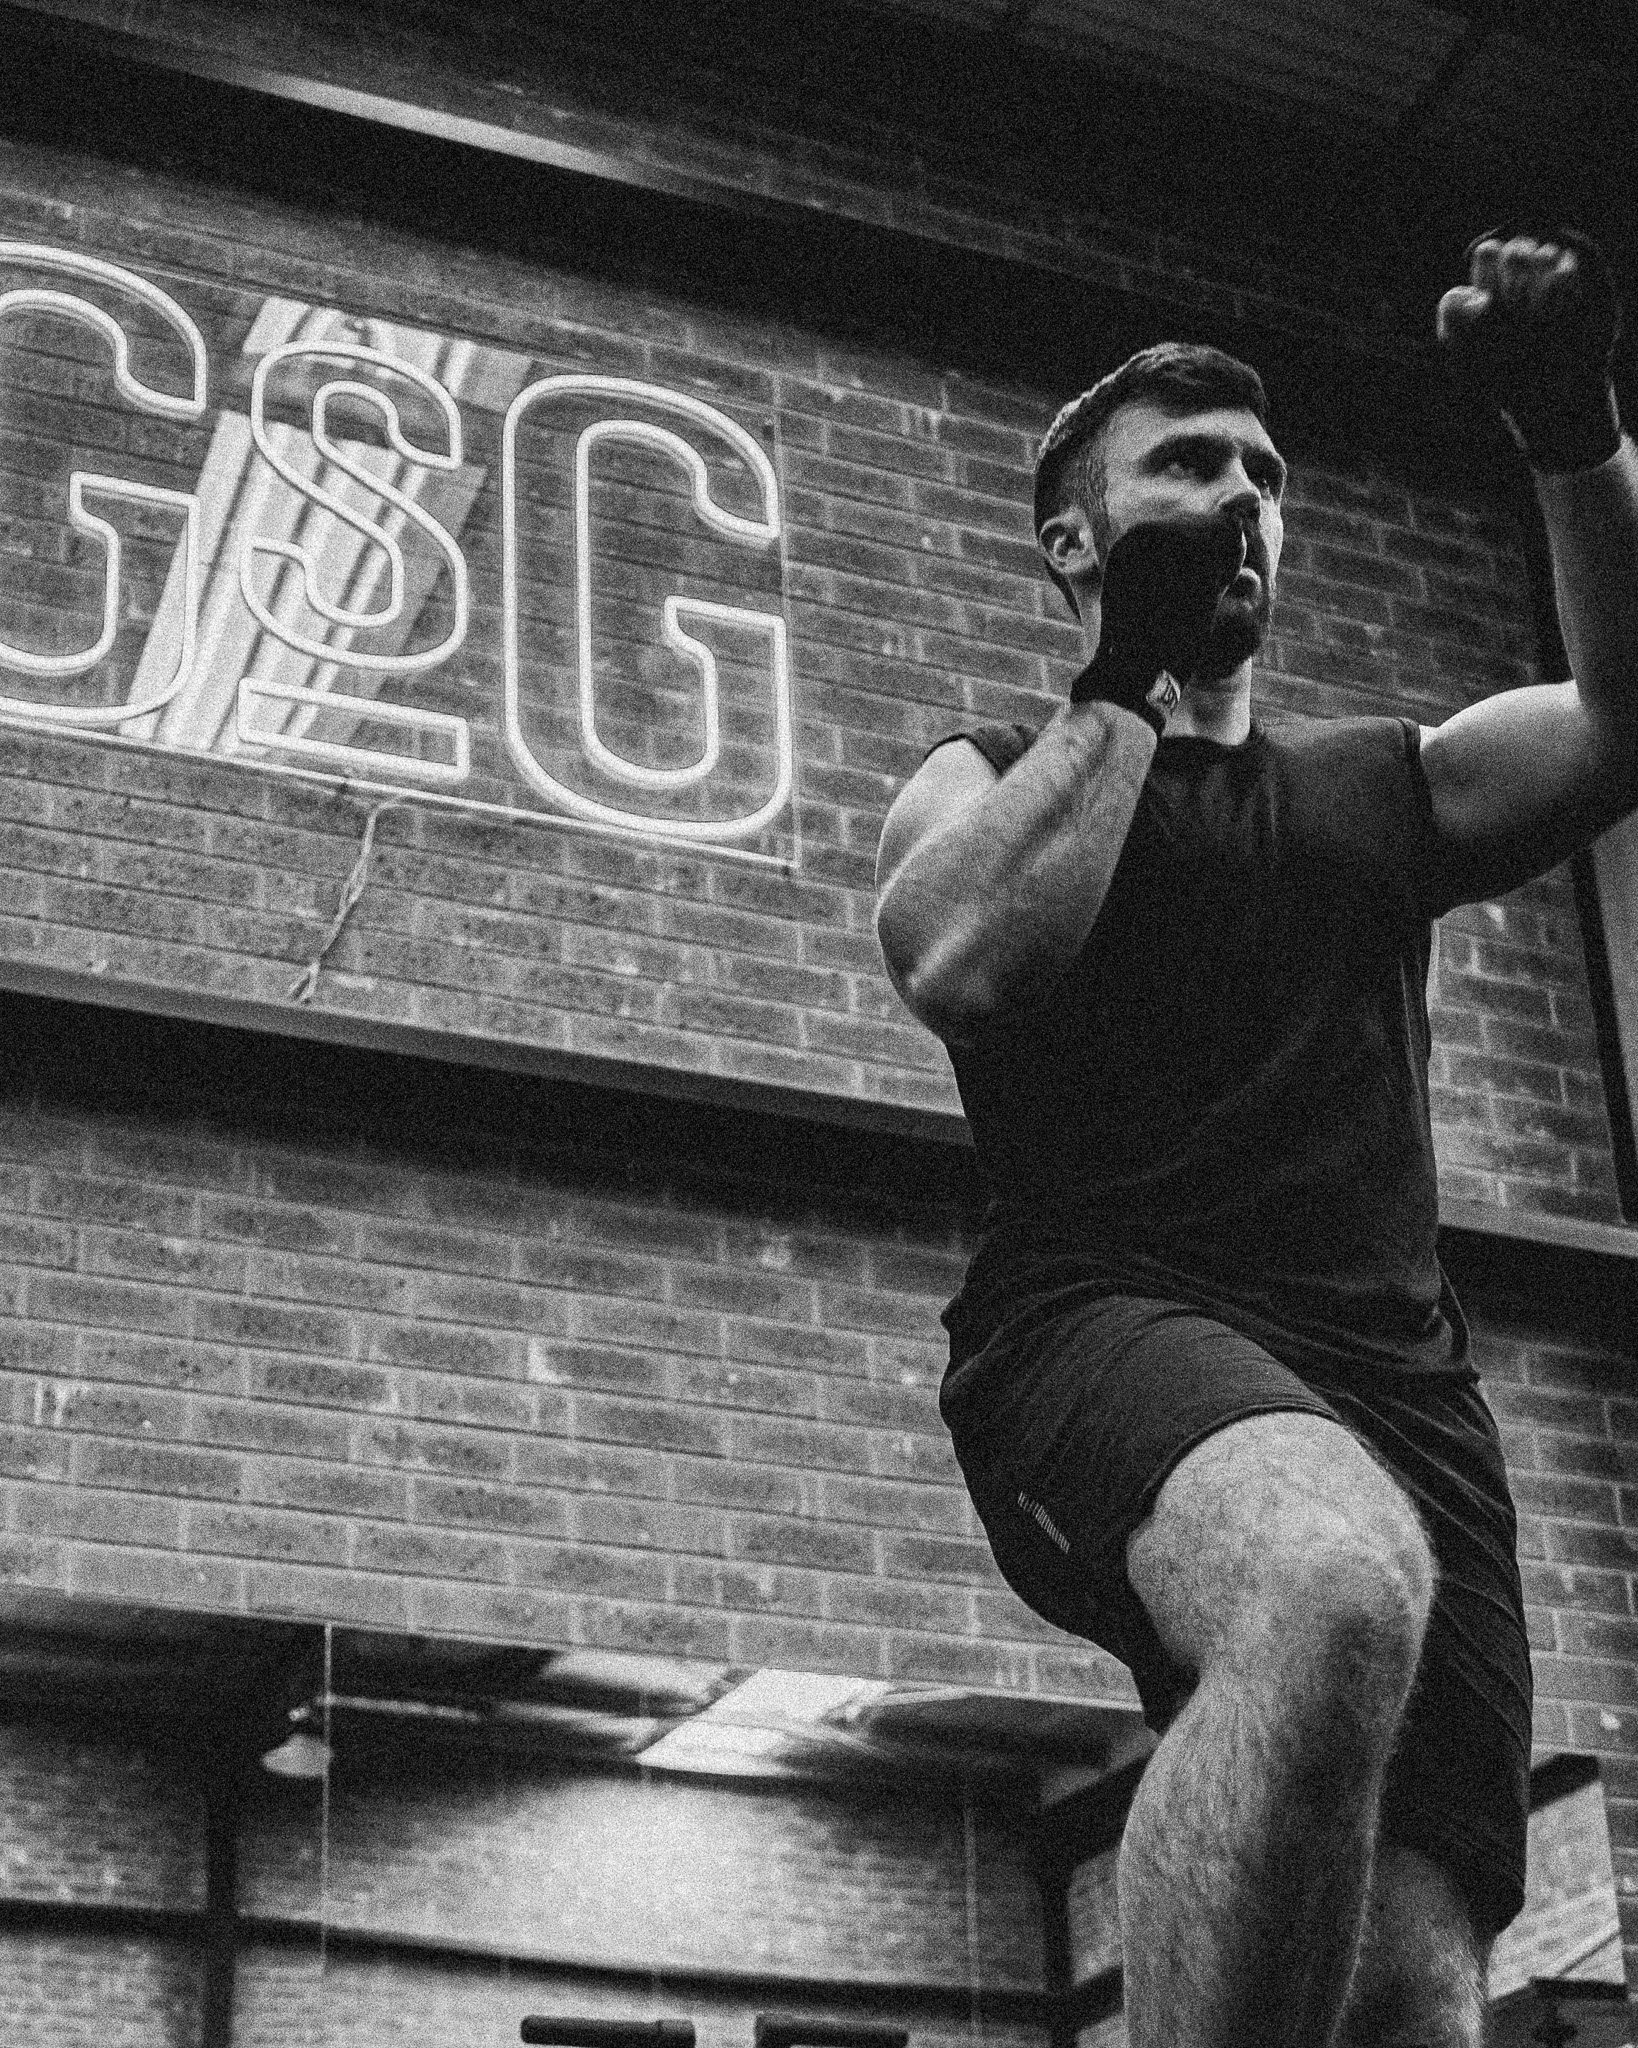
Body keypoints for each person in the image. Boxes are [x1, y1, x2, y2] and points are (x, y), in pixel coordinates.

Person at [873, 233, 1638, 2048]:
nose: (1240, 502)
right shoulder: (991, 768)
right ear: (1075, 538)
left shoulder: (1387, 783)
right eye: (1187, 468)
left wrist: (1568, 428)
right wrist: (1120, 689)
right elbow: (963, 959)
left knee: (1406, 1996)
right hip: (1100, 1324)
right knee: (1320, 1576)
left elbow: (1625, 723)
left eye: (1264, 477)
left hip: (1399, 1389)